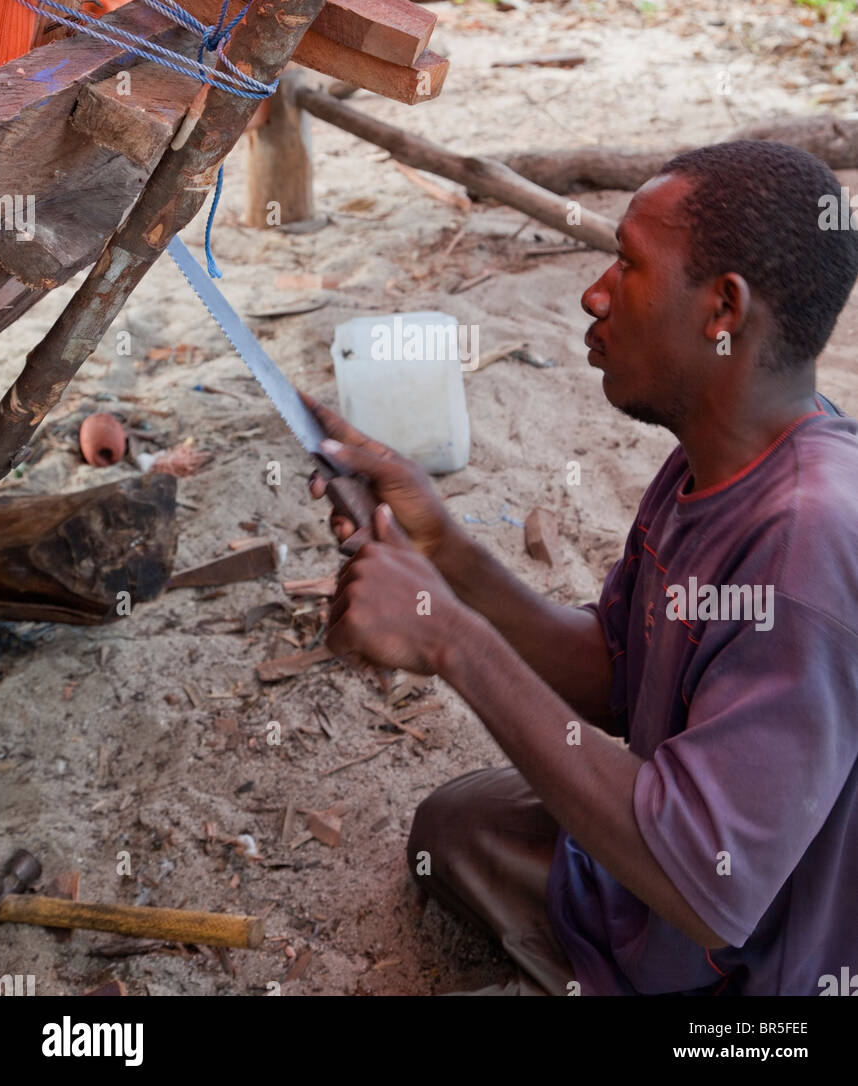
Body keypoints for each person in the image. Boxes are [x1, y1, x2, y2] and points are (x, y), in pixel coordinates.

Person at [306, 140, 858, 996]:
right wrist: (443, 547)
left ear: (723, 310)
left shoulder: (806, 545)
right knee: (453, 832)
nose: (593, 293)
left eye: (628, 265)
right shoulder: (719, 453)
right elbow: (613, 675)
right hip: (696, 877)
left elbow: (709, 889)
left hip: (757, 955)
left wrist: (453, 641)